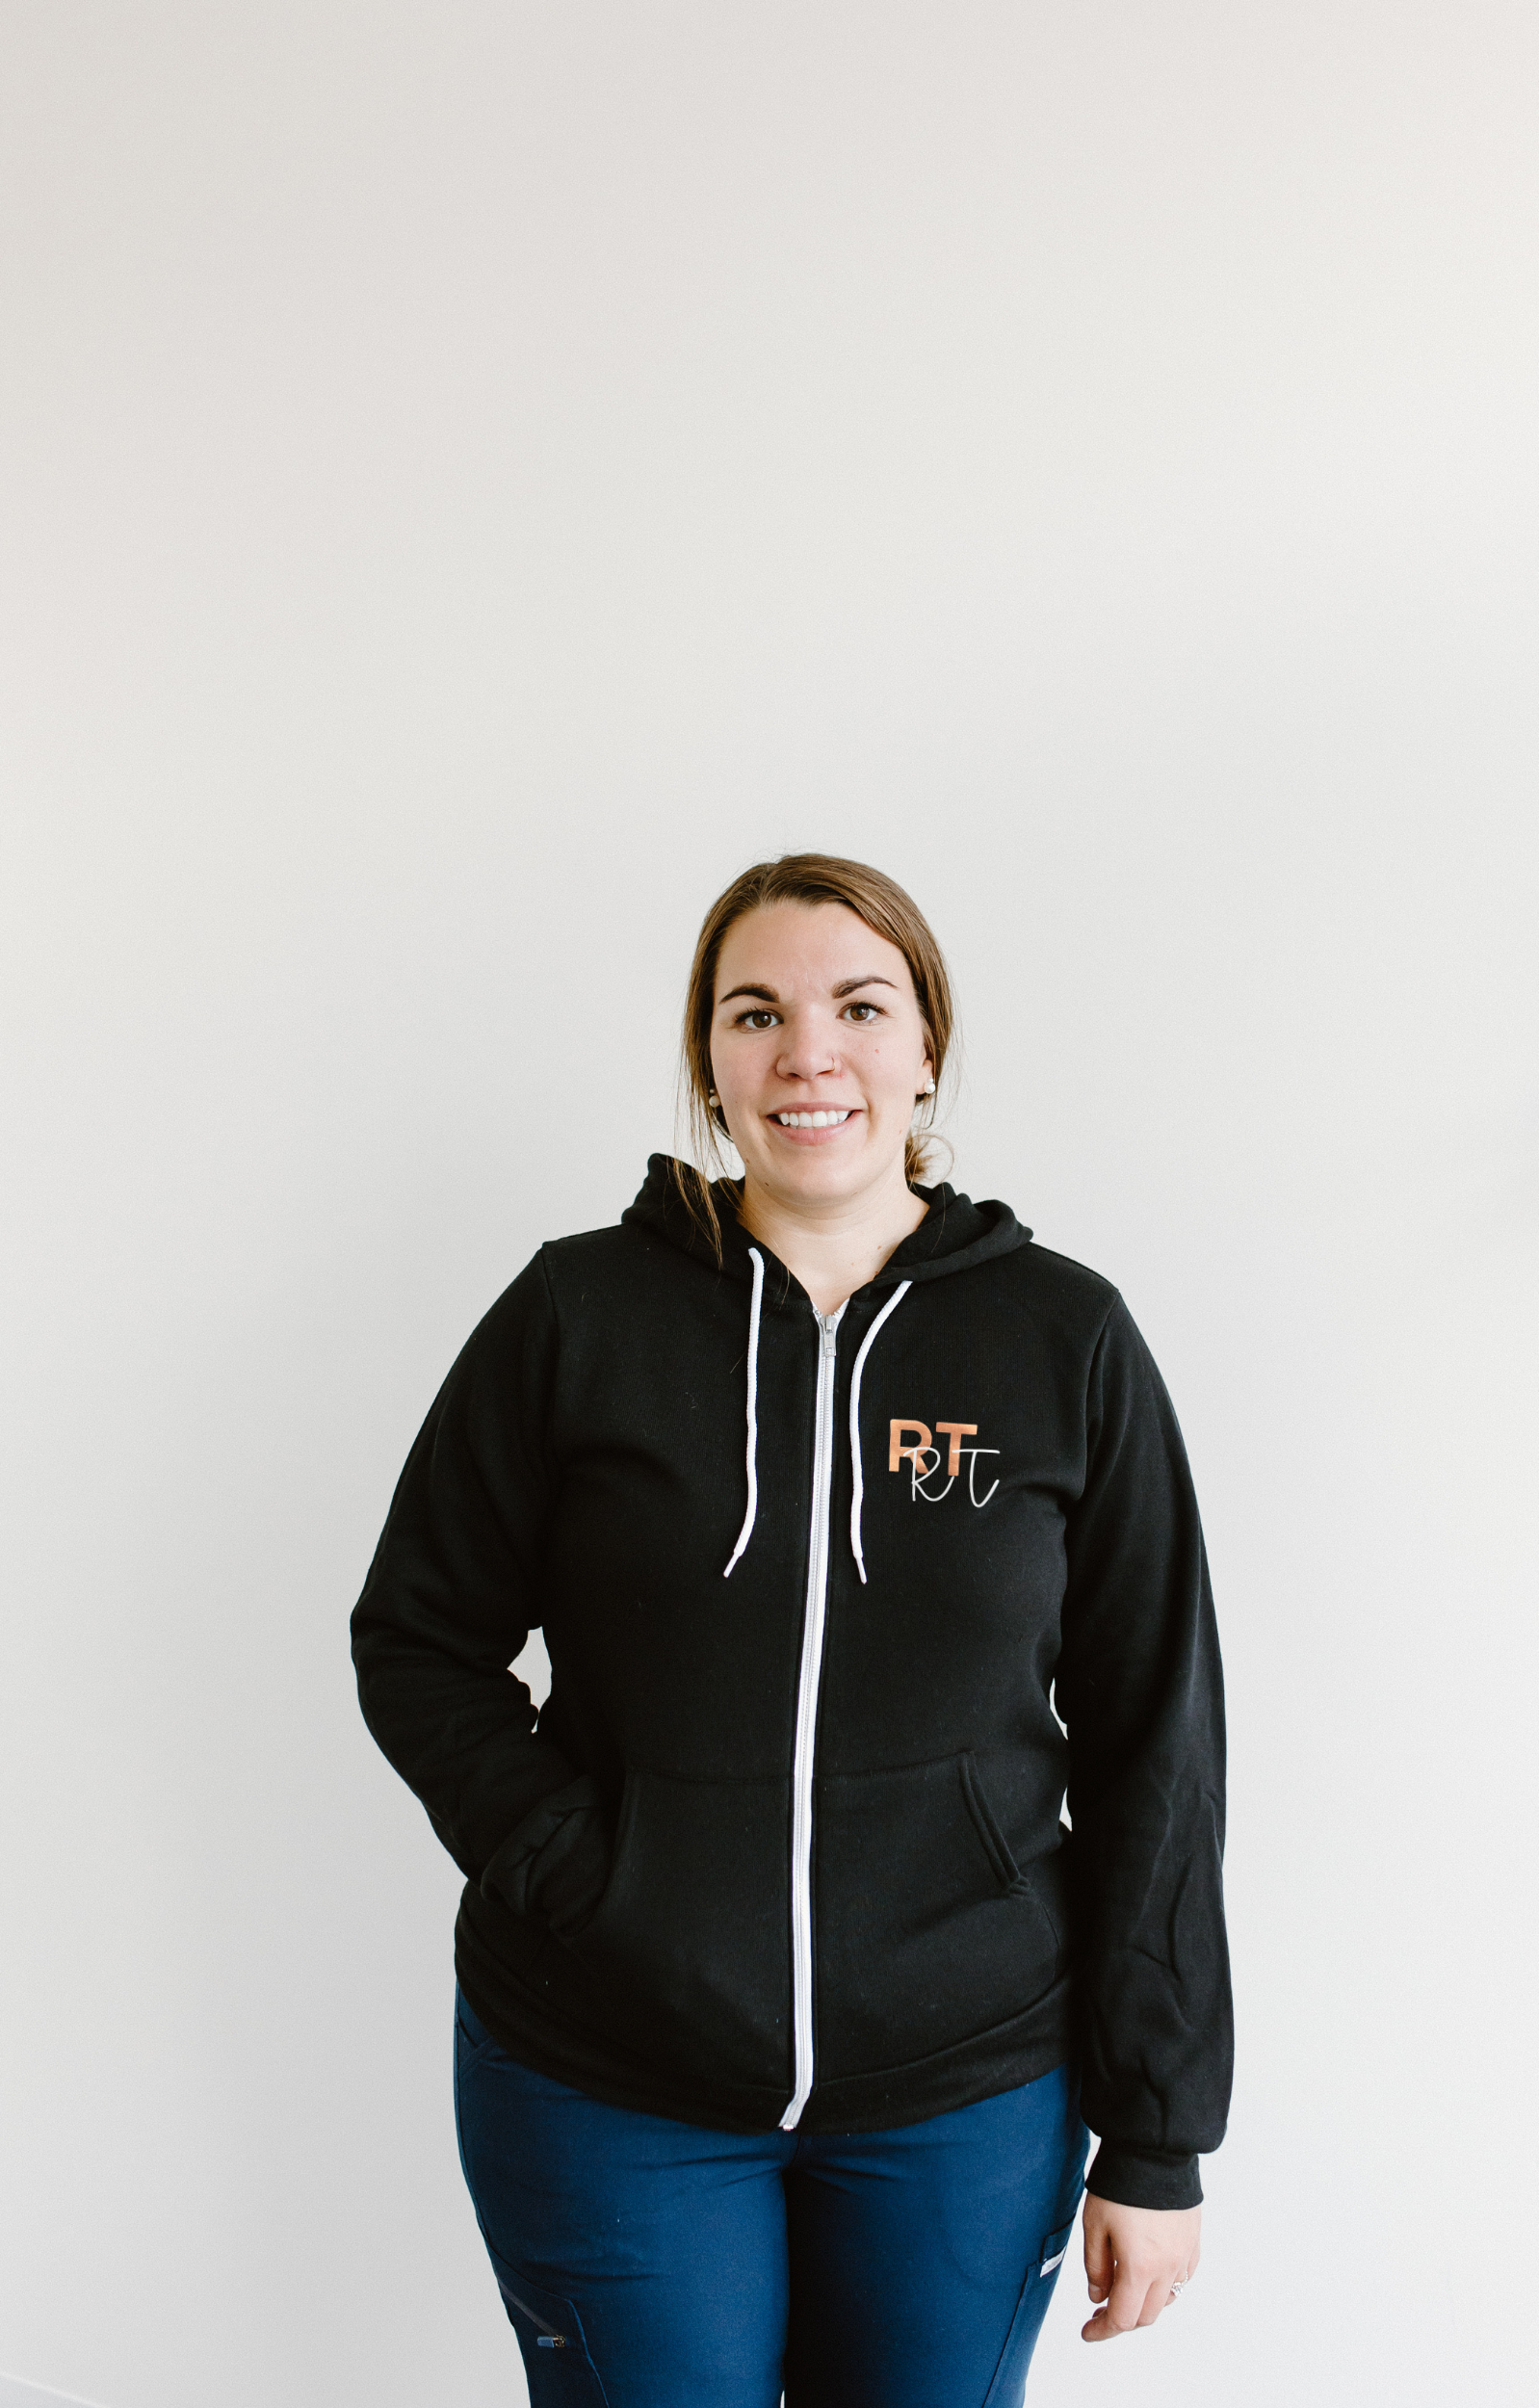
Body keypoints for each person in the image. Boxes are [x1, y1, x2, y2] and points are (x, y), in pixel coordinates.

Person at [352, 852, 1232, 2408]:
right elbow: (419, 1635)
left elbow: (1158, 1733)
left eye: (859, 1009)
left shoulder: (1063, 1337)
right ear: (709, 1060)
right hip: (609, 2077)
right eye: (756, 1013)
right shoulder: (577, 1315)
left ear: (926, 1050)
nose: (808, 1054)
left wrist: (1157, 2132)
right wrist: (578, 1871)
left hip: (966, 2089)